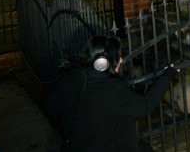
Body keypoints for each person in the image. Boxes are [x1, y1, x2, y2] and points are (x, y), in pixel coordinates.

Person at [48, 35, 181, 152]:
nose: (122, 60)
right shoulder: (110, 88)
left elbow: (53, 111)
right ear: (102, 64)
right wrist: (167, 75)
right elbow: (145, 105)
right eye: (117, 57)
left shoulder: (73, 78)